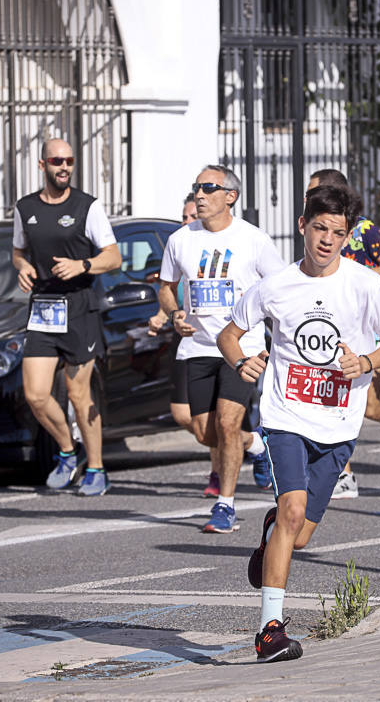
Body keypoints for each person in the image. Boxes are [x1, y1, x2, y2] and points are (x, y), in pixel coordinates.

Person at [218, 183, 380, 662]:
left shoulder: (366, 285)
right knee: (293, 511)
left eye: (337, 232)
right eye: (319, 228)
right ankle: (269, 632)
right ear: (303, 226)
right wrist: (242, 362)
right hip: (285, 416)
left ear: (347, 236)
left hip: (339, 423)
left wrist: (364, 363)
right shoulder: (275, 286)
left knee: (298, 534)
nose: (327, 240)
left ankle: (271, 534)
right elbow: (230, 334)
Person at [158, 165, 283, 533]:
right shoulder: (181, 239)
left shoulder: (254, 240)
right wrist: (174, 313)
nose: (199, 194)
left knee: (228, 423)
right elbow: (166, 287)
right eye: (196, 187)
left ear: (231, 196)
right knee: (203, 431)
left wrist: (272, 337)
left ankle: (225, 505)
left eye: (208, 188)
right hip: (197, 345)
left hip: (241, 347)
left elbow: (279, 290)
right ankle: (256, 445)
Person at [304, 169, 380, 500]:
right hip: (330, 329)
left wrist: (355, 274)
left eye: (313, 193)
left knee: (369, 407)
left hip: (368, 333)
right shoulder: (314, 227)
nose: (307, 200)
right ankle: (344, 474)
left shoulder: (365, 230)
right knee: (330, 400)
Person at [13, 138, 121, 496]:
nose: (64, 167)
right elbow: (17, 251)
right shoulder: (25, 207)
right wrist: (23, 266)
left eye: (70, 161)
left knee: (78, 393)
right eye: (57, 161)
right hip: (43, 307)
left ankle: (96, 468)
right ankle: (66, 450)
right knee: (36, 394)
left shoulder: (87, 207)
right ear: (42, 164)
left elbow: (113, 257)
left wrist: (82, 265)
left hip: (78, 307)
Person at [149, 192, 223, 495]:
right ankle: (251, 443)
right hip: (188, 339)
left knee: (219, 417)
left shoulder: (216, 247)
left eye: (193, 216)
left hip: (220, 343)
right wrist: (163, 316)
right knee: (184, 414)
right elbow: (169, 290)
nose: (188, 221)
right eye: (184, 216)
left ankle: (219, 474)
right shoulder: (179, 246)